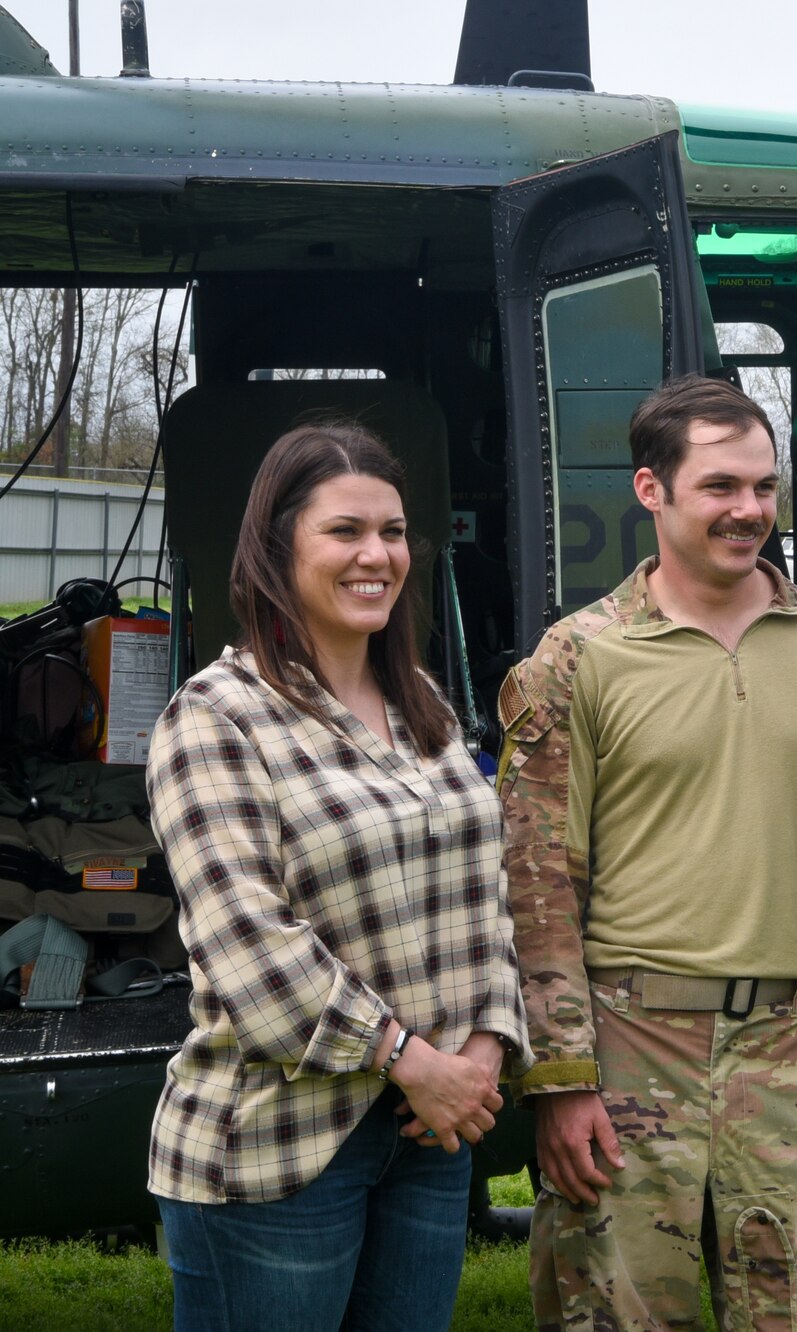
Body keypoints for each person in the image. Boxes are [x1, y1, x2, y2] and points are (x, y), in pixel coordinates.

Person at [499, 374, 797, 1331]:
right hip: (627, 1042)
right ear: (651, 490)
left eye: (765, 488)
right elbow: (539, 891)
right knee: (613, 1314)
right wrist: (561, 1081)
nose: (751, 512)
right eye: (722, 488)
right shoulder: (578, 659)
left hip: (793, 1047)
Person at [144, 423, 530, 1332]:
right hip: (276, 1150)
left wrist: (485, 1041)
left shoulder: (422, 708)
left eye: (394, 533)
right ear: (277, 550)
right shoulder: (214, 718)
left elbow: (488, 894)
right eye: (345, 531)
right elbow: (249, 947)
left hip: (428, 1139)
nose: (377, 555)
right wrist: (409, 1059)